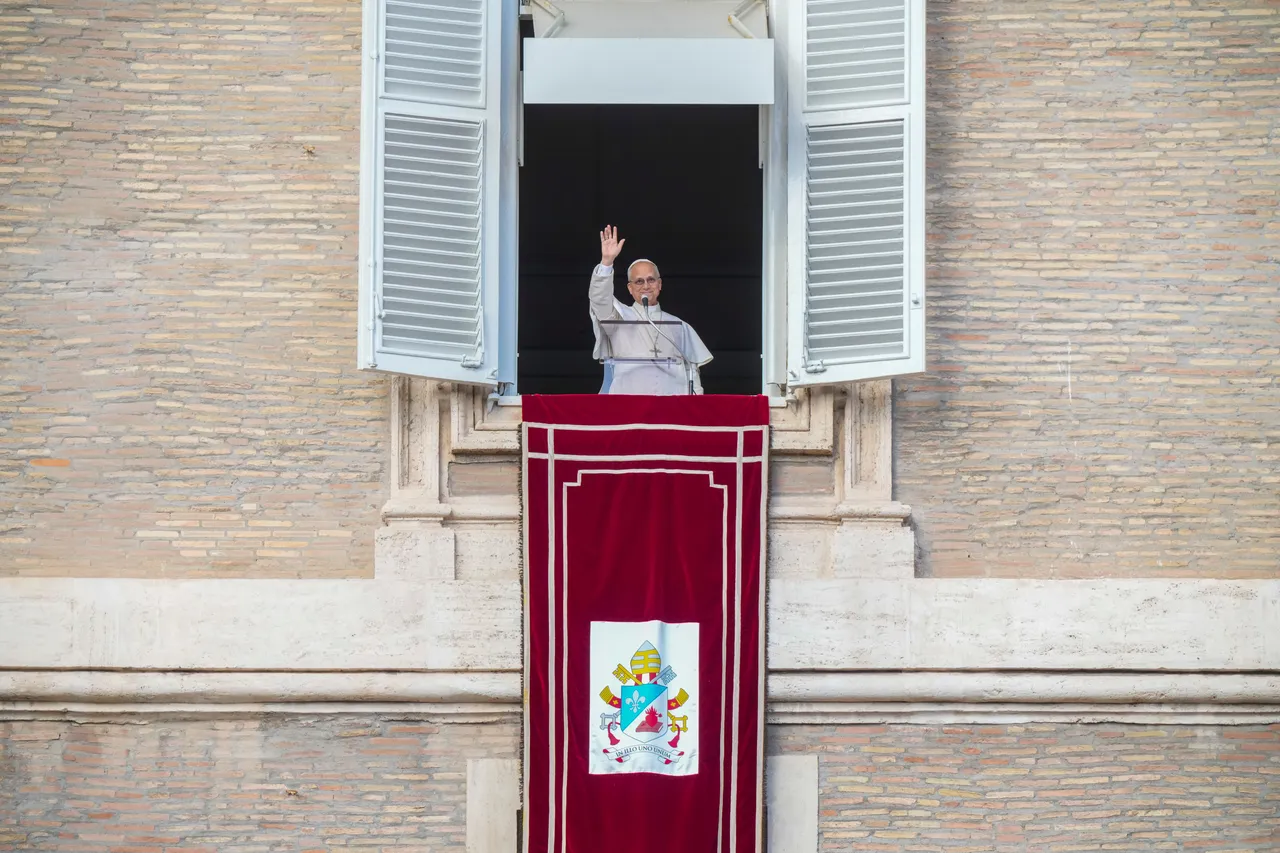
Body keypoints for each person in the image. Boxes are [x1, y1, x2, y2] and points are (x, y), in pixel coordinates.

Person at [589, 225, 713, 395]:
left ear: (660, 284)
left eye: (651, 280)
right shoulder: (619, 317)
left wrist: (694, 407)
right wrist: (606, 263)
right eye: (639, 282)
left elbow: (692, 373)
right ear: (630, 288)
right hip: (629, 408)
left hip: (671, 411)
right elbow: (599, 299)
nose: (646, 286)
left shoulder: (679, 325)